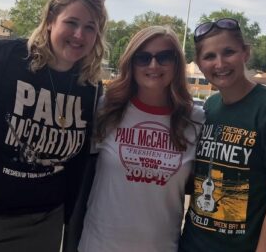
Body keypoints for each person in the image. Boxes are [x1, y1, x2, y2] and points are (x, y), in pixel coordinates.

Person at [0, 0, 108, 252]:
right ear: (51, 21)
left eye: (90, 27)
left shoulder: (89, 85)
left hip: (46, 221)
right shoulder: (6, 59)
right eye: (72, 22)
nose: (79, 34)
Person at [78, 25, 204, 252]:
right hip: (99, 244)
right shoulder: (107, 109)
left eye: (164, 57)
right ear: (131, 63)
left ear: (177, 63)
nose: (153, 65)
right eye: (143, 58)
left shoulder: (195, 120)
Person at [179, 18, 266, 252]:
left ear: (245, 53)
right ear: (199, 63)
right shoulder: (208, 107)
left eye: (228, 52)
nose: (220, 63)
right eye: (209, 56)